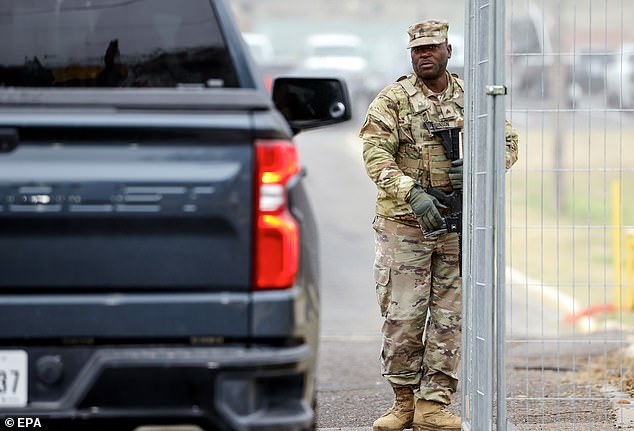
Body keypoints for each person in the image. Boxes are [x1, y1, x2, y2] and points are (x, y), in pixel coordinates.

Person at [359, 19, 518, 431]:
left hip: (454, 227)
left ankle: (434, 405)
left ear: (449, 50)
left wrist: (480, 166)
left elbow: (508, 142)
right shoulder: (392, 99)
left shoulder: (471, 96)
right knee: (403, 317)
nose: (424, 55)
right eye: (417, 50)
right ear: (410, 55)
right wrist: (411, 191)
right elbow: (376, 155)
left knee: (450, 317)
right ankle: (403, 402)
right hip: (405, 227)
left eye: (432, 47)